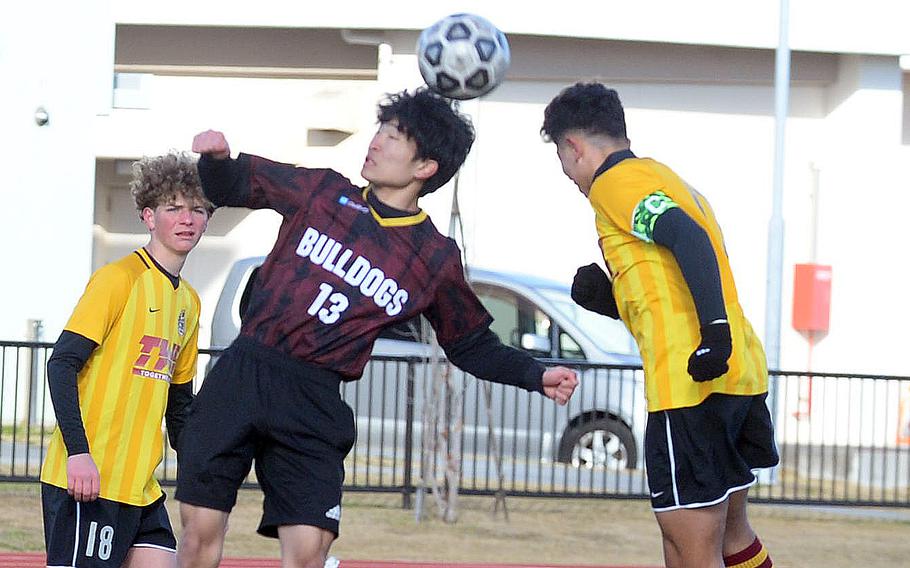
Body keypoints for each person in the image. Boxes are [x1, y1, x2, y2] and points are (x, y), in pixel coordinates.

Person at [176, 89, 579, 568]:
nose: (377, 143)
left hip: (314, 397)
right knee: (200, 532)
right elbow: (235, 184)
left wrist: (536, 375)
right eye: (380, 131)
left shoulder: (433, 256)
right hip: (246, 370)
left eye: (394, 137)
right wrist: (217, 159)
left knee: (308, 551)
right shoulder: (322, 191)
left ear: (424, 166)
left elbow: (470, 344)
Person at [541, 82, 778, 568]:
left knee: (686, 542)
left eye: (561, 159)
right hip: (738, 373)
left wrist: (714, 334)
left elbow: (686, 238)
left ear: (574, 146)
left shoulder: (614, 183)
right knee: (734, 536)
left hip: (689, 381)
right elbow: (672, 283)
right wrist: (610, 301)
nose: (566, 173)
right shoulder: (666, 177)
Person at [40, 151, 213, 567]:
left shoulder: (188, 302)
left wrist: (204, 476)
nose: (187, 219)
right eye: (174, 208)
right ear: (149, 217)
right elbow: (61, 364)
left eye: (197, 209)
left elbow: (180, 405)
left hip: (141, 488)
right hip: (89, 479)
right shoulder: (117, 280)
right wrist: (78, 454)